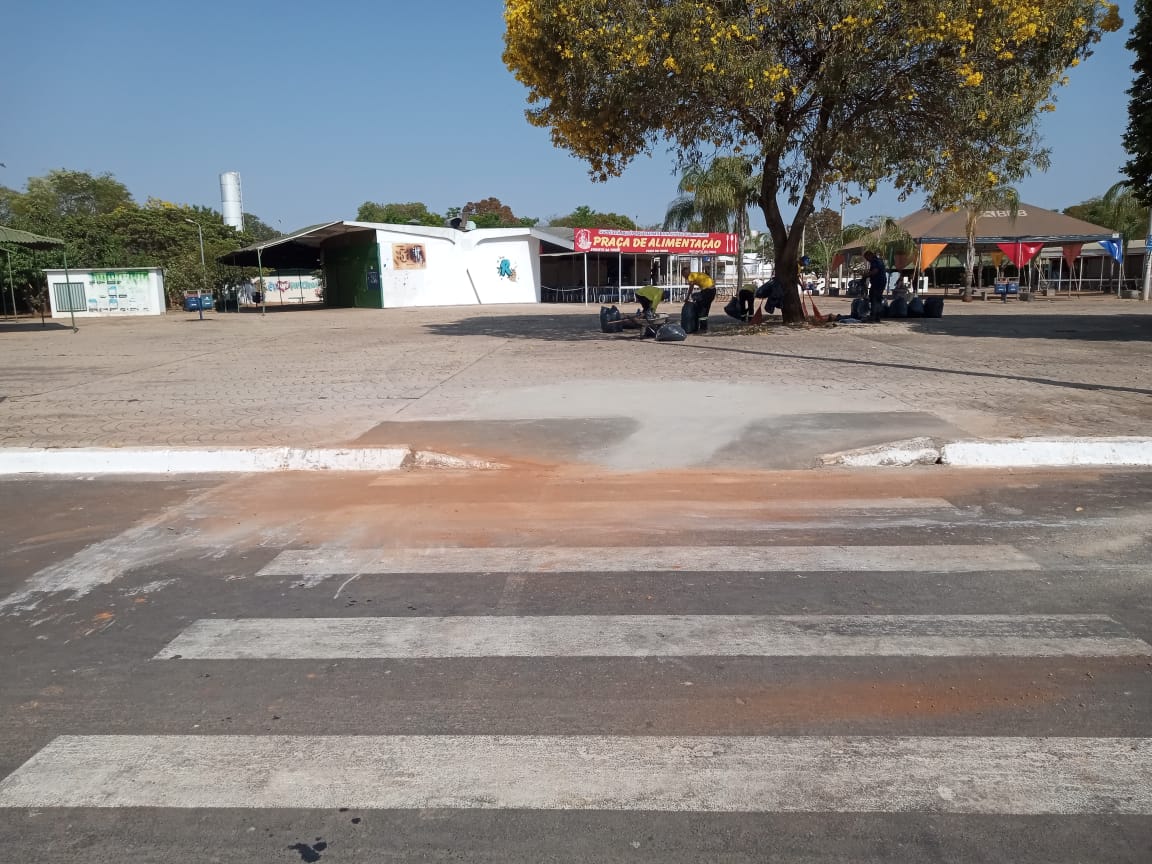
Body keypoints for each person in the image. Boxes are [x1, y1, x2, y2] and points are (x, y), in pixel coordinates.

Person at [681, 266, 716, 332]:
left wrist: (687, 297)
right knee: (705, 309)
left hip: (707, 291)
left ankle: (703, 328)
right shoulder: (695, 274)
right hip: (713, 290)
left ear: (685, 273)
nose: (684, 277)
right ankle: (704, 327)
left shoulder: (690, 276)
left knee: (702, 309)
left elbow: (691, 287)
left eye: (683, 275)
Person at [863, 250, 887, 322]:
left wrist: (866, 275)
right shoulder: (878, 260)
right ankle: (877, 316)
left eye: (867, 258)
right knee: (878, 299)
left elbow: (875, 271)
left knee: (874, 298)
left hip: (878, 282)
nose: (867, 260)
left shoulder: (875, 261)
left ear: (870, 256)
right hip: (881, 282)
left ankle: (873, 316)